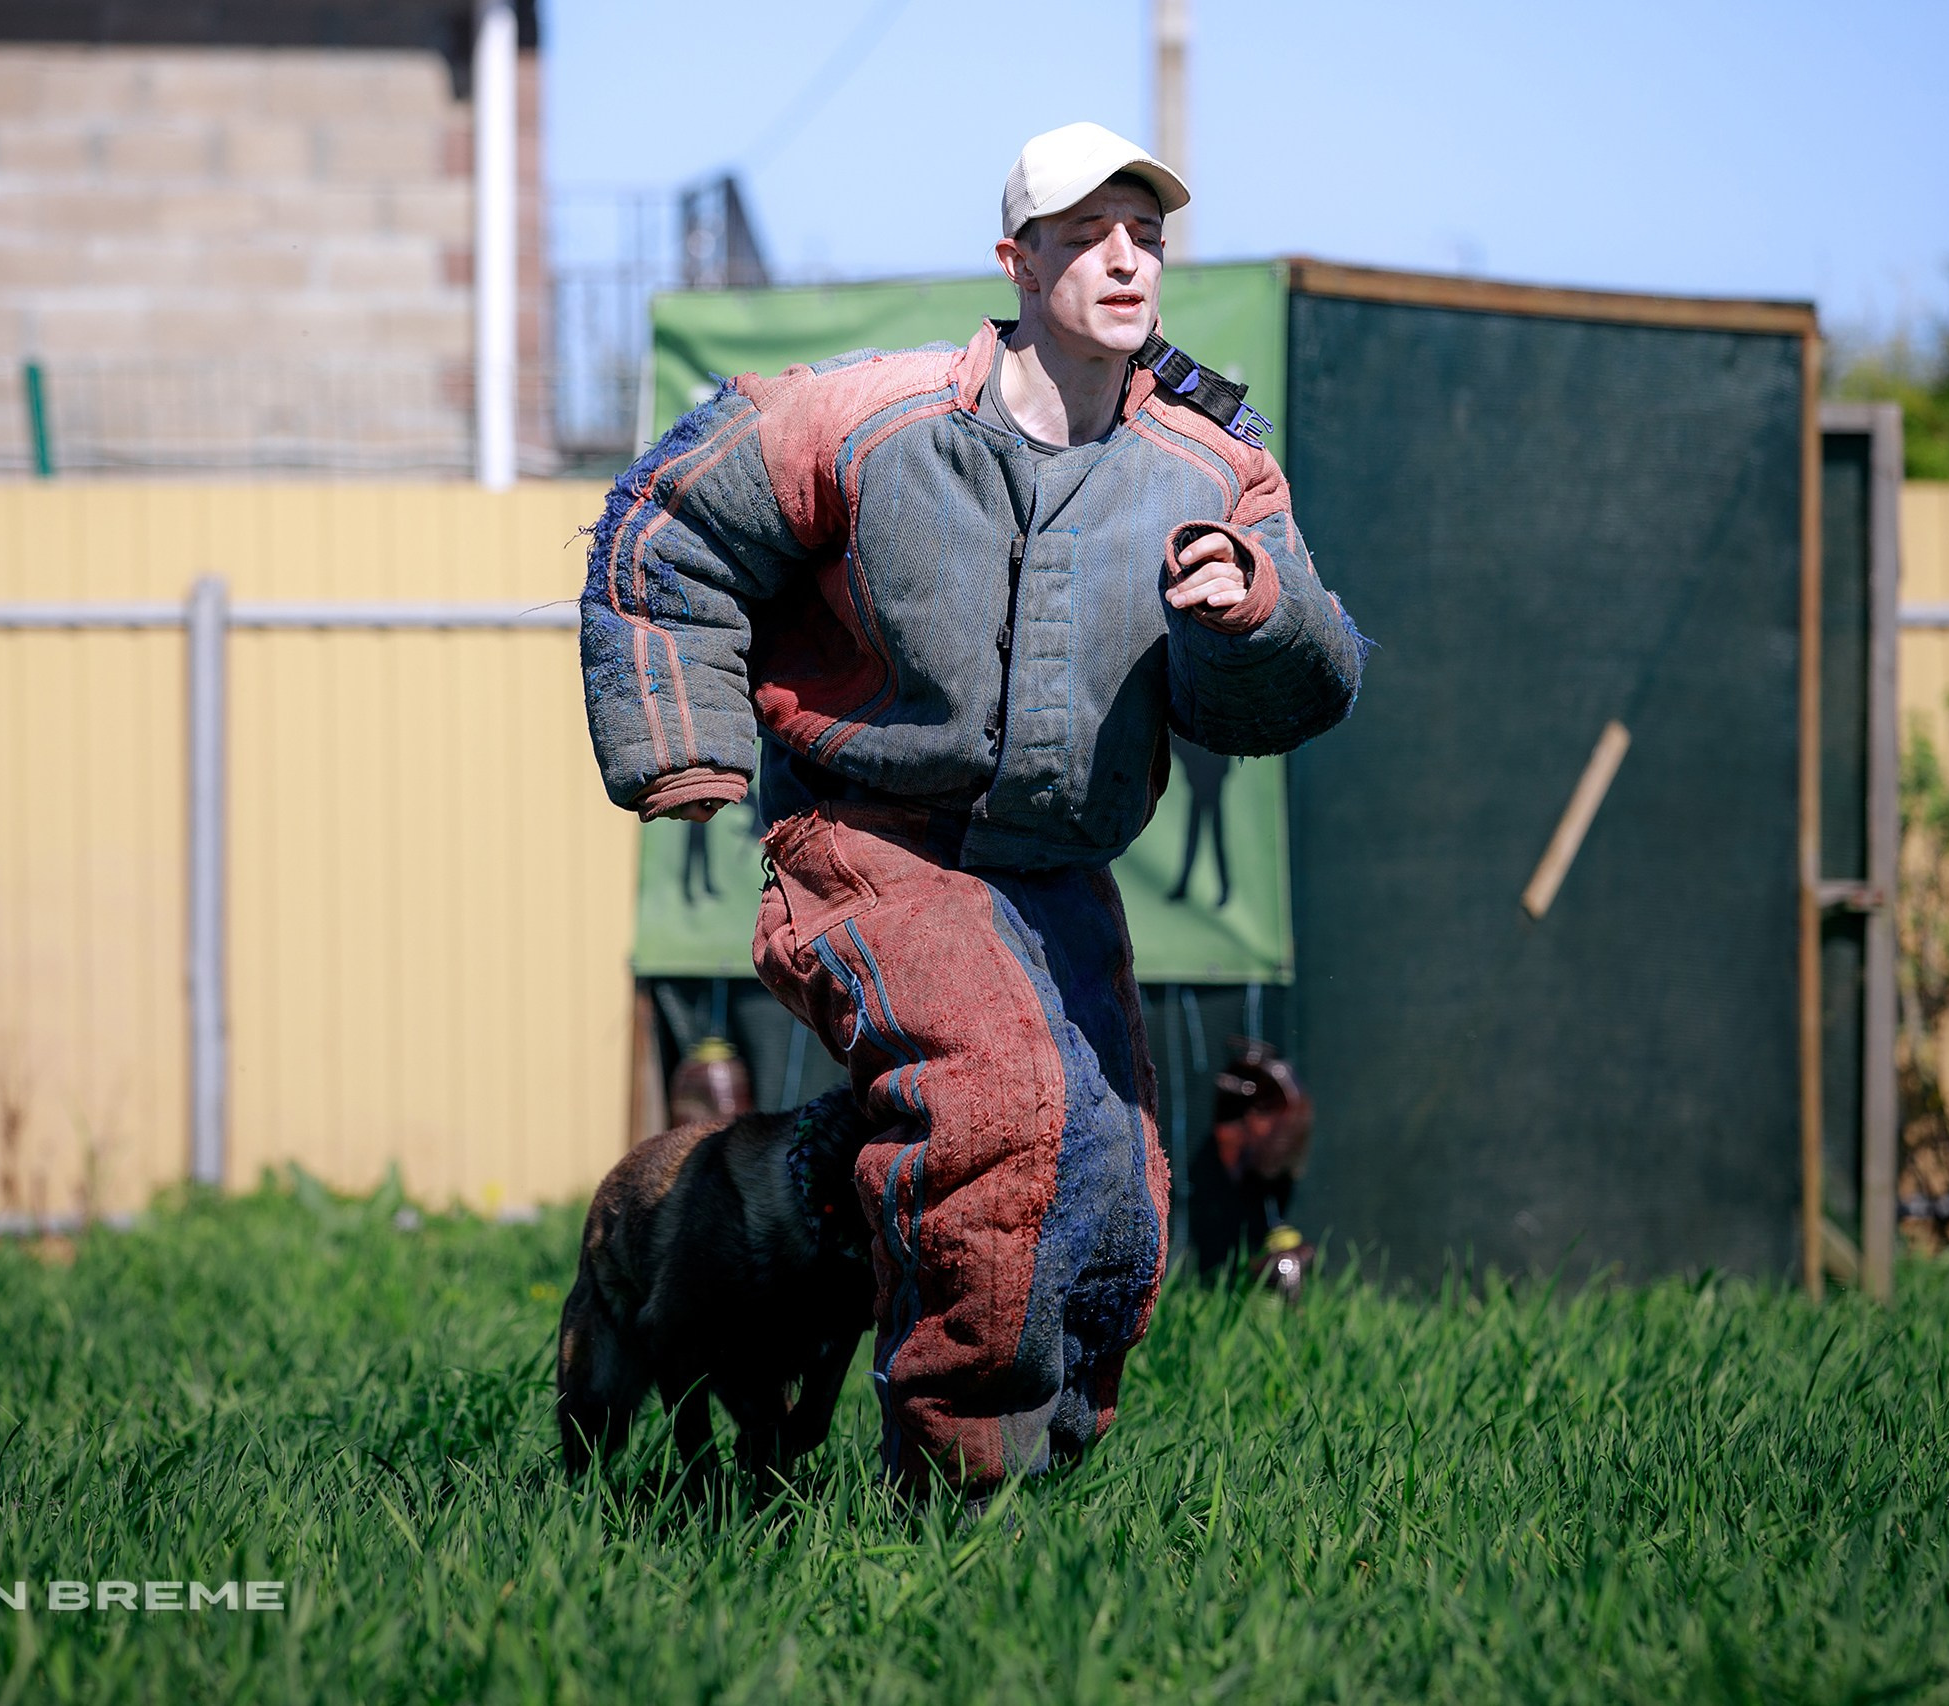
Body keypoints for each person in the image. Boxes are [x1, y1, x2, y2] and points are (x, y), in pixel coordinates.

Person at [579, 121, 1364, 1495]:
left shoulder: (1210, 469)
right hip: (867, 841)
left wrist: (1255, 610)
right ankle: (955, 1496)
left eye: (1149, 234)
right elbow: (666, 517)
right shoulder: (874, 422)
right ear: (1016, 260)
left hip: (1055, 870)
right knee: (1010, 1116)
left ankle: (1041, 1485)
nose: (1127, 258)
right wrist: (685, 747)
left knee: (1115, 1188)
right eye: (1088, 234)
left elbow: (1311, 682)